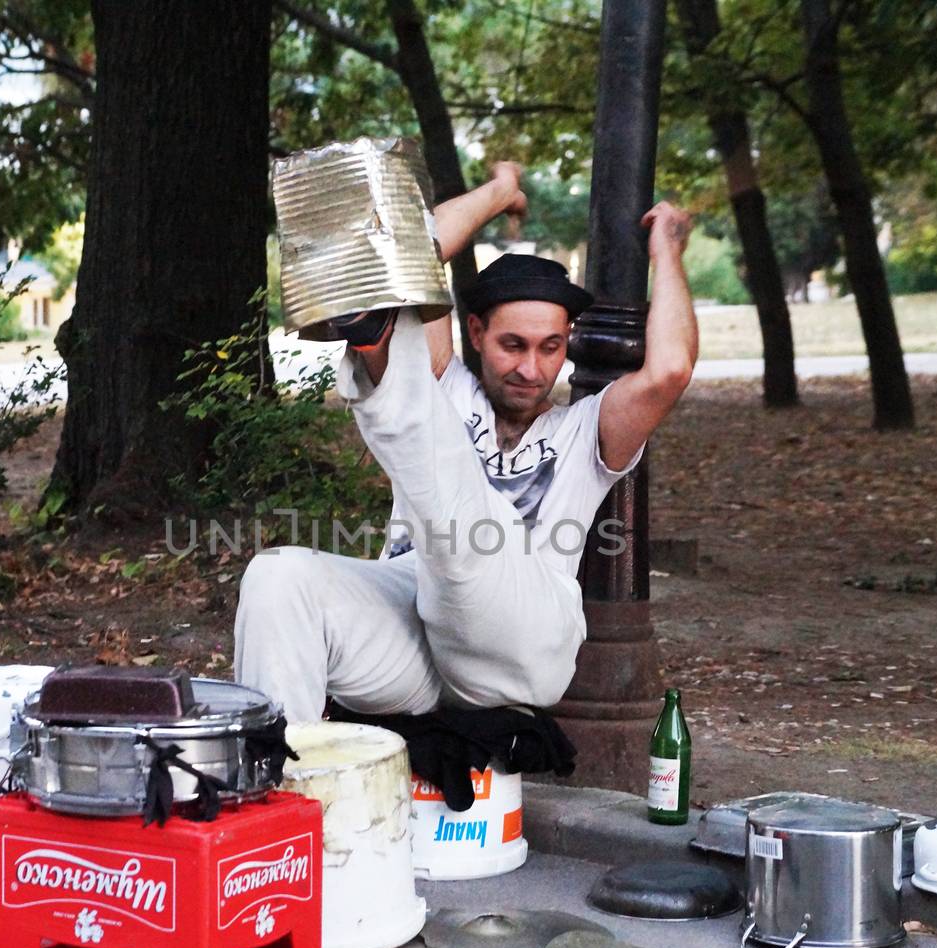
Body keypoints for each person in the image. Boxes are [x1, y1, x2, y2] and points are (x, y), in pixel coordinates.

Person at [235, 163, 699, 723]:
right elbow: (416, 256)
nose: (532, 368)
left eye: (550, 348)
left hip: (522, 646)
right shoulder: (448, 385)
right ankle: (278, 791)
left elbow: (670, 369)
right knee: (278, 577)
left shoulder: (587, 430)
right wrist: (499, 193)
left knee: (470, 526)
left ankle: (376, 333)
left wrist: (667, 250)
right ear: (475, 333)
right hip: (414, 637)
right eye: (513, 345)